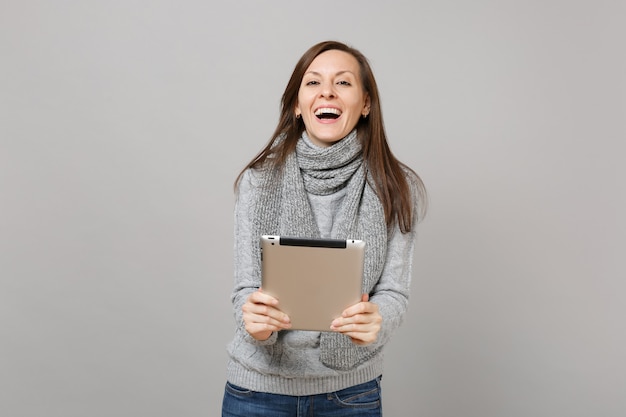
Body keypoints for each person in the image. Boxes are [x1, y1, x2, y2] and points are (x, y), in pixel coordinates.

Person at [221, 40, 426, 417]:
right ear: (297, 105)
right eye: (313, 83)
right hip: (256, 392)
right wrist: (254, 319)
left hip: (350, 394)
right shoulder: (257, 181)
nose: (327, 92)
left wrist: (375, 320)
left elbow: (394, 292)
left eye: (344, 83)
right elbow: (245, 289)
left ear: (365, 104)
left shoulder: (397, 186)